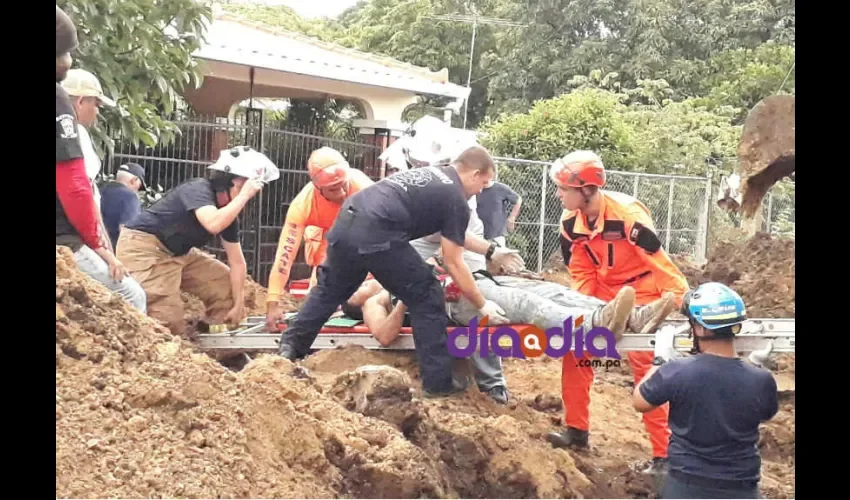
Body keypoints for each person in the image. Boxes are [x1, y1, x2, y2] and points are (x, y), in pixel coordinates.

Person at [277, 145, 513, 397]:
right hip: (379, 232)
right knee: (427, 293)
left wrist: (490, 250)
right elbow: (453, 261)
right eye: (484, 183)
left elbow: (453, 235)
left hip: (347, 221)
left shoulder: (432, 176)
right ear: (475, 174)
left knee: (328, 292)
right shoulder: (455, 198)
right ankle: (438, 386)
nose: (481, 190)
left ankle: (288, 351)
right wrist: (482, 304)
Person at [544, 150, 689, 476]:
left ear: (586, 189)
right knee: (576, 350)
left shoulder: (628, 216)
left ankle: (664, 455)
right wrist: (585, 312)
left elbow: (660, 263)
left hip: (644, 290)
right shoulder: (571, 223)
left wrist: (682, 300)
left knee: (647, 367)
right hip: (604, 294)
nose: (558, 194)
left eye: (563, 188)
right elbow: (580, 269)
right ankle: (576, 431)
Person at [633, 282, 779, 499]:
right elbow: (765, 411)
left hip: (686, 486)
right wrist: (753, 366)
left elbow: (640, 402)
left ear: (700, 328)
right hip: (741, 488)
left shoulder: (677, 372)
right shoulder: (761, 380)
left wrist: (660, 361)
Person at [116, 146, 279, 335]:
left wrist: (239, 304)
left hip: (178, 252)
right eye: (243, 186)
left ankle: (217, 347)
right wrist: (243, 196)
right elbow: (212, 223)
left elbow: (237, 263)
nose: (249, 196)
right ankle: (172, 356)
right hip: (143, 247)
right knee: (166, 321)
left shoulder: (228, 213)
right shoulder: (198, 189)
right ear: (227, 181)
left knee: (226, 286)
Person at [55, 6, 146, 313]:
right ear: (80, 100)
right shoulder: (65, 116)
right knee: (133, 298)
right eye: (95, 103)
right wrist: (103, 250)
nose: (97, 111)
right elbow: (78, 191)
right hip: (63, 240)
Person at [265, 147, 374, 331]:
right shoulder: (303, 206)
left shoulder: (365, 190)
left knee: (364, 295)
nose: (341, 193)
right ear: (318, 188)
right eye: (333, 189)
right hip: (330, 245)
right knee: (317, 302)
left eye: (343, 185)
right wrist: (272, 302)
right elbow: (284, 257)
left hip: (366, 240)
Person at [99, 163, 146, 249]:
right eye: (139, 186)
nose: (138, 191)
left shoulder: (99, 191)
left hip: (95, 248)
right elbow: (126, 232)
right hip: (114, 251)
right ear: (134, 180)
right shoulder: (130, 197)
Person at [477, 177, 522, 247]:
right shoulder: (474, 189)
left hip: (496, 235)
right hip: (477, 234)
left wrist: (512, 217)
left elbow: (518, 199)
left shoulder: (500, 189)